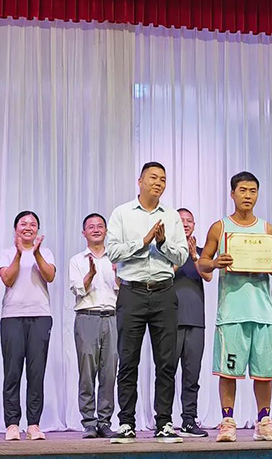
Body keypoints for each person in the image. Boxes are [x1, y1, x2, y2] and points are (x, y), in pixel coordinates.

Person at [198, 171, 272, 443]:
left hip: (262, 311)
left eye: (253, 191)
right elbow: (202, 263)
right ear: (232, 194)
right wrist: (216, 263)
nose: (248, 196)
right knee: (229, 371)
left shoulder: (267, 230)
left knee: (264, 371)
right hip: (232, 312)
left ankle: (264, 422)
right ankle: (227, 422)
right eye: (243, 190)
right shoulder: (220, 227)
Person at [106, 161, 188, 444]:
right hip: (132, 292)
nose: (158, 183)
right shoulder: (122, 213)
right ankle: (126, 423)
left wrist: (162, 244)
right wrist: (144, 241)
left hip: (164, 292)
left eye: (163, 179)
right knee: (128, 359)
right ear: (139, 181)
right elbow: (113, 252)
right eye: (153, 177)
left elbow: (182, 256)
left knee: (166, 361)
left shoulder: (172, 216)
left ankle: (164, 422)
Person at [0, 211, 56, 441]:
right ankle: (12, 424)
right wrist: (19, 254)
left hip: (40, 316)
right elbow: (8, 279)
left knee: (36, 372)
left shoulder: (46, 252)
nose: (28, 227)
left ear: (38, 230)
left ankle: (33, 424)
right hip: (12, 316)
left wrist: (36, 253)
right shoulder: (6, 253)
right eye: (23, 223)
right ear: (16, 229)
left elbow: (49, 276)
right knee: (12, 372)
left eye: (33, 224)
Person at [69, 213, 119, 439]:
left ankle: (105, 421)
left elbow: (123, 289)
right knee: (87, 372)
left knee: (109, 372)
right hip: (87, 317)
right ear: (84, 233)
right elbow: (78, 290)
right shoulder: (77, 260)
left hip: (112, 317)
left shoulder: (116, 258)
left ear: (106, 231)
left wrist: (119, 275)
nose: (96, 229)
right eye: (91, 227)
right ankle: (89, 422)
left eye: (100, 226)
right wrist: (90, 274)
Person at [172, 208, 212, 437]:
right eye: (181, 220)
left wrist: (194, 254)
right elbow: (165, 275)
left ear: (194, 225)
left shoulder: (201, 253)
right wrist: (181, 253)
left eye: (189, 221)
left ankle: (189, 420)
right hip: (170, 320)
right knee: (166, 373)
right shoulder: (166, 251)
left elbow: (207, 276)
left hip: (196, 321)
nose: (185, 224)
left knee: (192, 374)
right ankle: (163, 421)